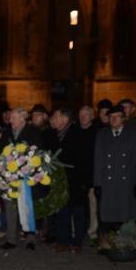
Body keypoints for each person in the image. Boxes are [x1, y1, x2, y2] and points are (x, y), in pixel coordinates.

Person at [93, 104, 136, 235]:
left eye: (117, 117)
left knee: (125, 215)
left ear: (123, 119)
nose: (114, 119)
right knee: (108, 216)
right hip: (107, 182)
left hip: (126, 182)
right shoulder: (102, 134)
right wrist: (97, 183)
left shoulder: (134, 134)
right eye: (111, 117)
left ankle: (125, 244)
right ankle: (109, 244)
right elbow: (98, 161)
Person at [0, 107, 42, 250]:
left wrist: (23, 164)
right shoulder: (7, 132)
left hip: (26, 176)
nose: (10, 120)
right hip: (9, 176)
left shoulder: (33, 131)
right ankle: (11, 238)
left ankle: (30, 237)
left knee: (27, 205)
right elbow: (1, 151)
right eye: (10, 118)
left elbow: (36, 152)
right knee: (10, 205)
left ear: (22, 118)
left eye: (13, 118)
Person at [51, 108, 93, 253]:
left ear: (65, 119)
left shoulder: (78, 133)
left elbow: (86, 159)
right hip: (60, 181)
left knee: (78, 211)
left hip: (76, 180)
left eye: (56, 116)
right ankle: (63, 240)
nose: (53, 119)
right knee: (62, 210)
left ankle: (77, 241)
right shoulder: (54, 134)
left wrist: (85, 181)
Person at [78, 106, 100, 239]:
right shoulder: (74, 131)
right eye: (81, 114)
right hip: (78, 176)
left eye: (86, 115)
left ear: (92, 116)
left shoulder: (97, 132)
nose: (83, 117)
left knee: (93, 206)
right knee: (79, 206)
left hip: (92, 175)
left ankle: (93, 232)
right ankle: (79, 231)